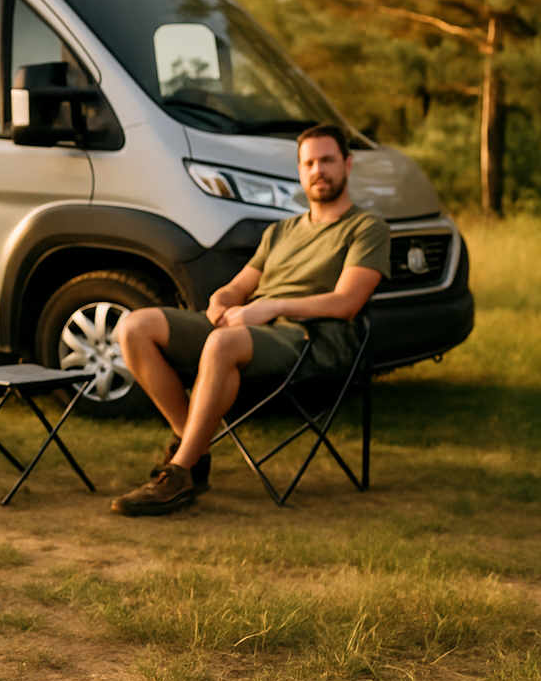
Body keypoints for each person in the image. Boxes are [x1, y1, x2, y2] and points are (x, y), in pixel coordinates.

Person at [109, 124, 390, 516]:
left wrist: (272, 307)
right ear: (300, 170)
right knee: (135, 326)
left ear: (347, 164)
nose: (318, 170)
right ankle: (196, 446)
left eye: (327, 160)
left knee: (223, 344)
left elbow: (346, 302)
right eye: (308, 162)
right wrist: (221, 299)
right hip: (253, 327)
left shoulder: (367, 228)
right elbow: (239, 287)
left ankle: (179, 472)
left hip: (312, 339)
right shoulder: (281, 231)